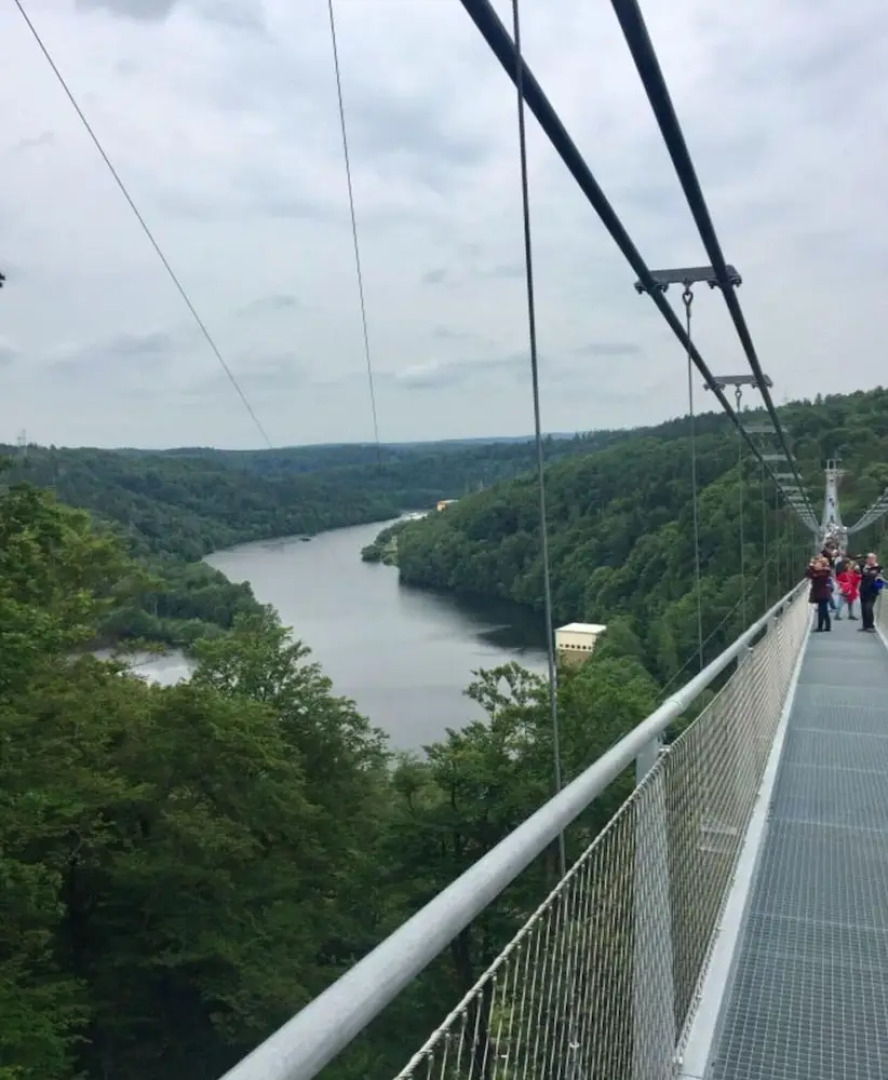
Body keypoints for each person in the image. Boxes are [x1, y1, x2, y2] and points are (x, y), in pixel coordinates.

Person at [857, 552, 884, 633]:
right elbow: (857, 566)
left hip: (872, 591)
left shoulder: (878, 568)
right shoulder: (863, 567)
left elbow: (879, 577)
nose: (871, 560)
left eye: (873, 558)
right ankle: (865, 625)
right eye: (869, 559)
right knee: (863, 608)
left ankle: (870, 626)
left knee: (868, 607)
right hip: (863, 590)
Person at [807, 554, 833, 632]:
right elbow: (809, 574)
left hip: (822, 594)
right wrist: (812, 567)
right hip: (822, 593)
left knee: (822, 611)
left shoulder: (823, 572)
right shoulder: (824, 571)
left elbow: (811, 574)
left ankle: (820, 627)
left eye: (818, 563)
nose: (816, 565)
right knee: (824, 610)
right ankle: (828, 626)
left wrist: (811, 566)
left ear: (822, 565)